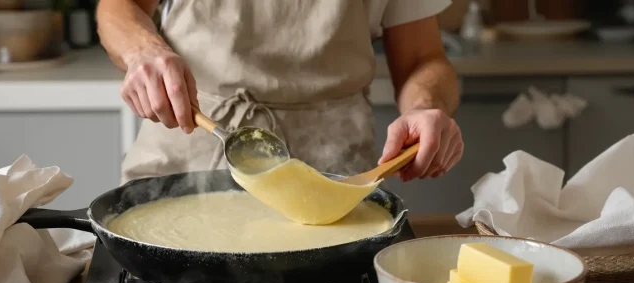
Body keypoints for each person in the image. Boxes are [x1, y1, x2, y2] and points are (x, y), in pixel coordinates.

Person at [97, 0, 463, 185]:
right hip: (191, 145)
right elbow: (118, 6)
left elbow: (422, 58)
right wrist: (143, 51)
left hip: (333, 169)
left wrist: (424, 107)